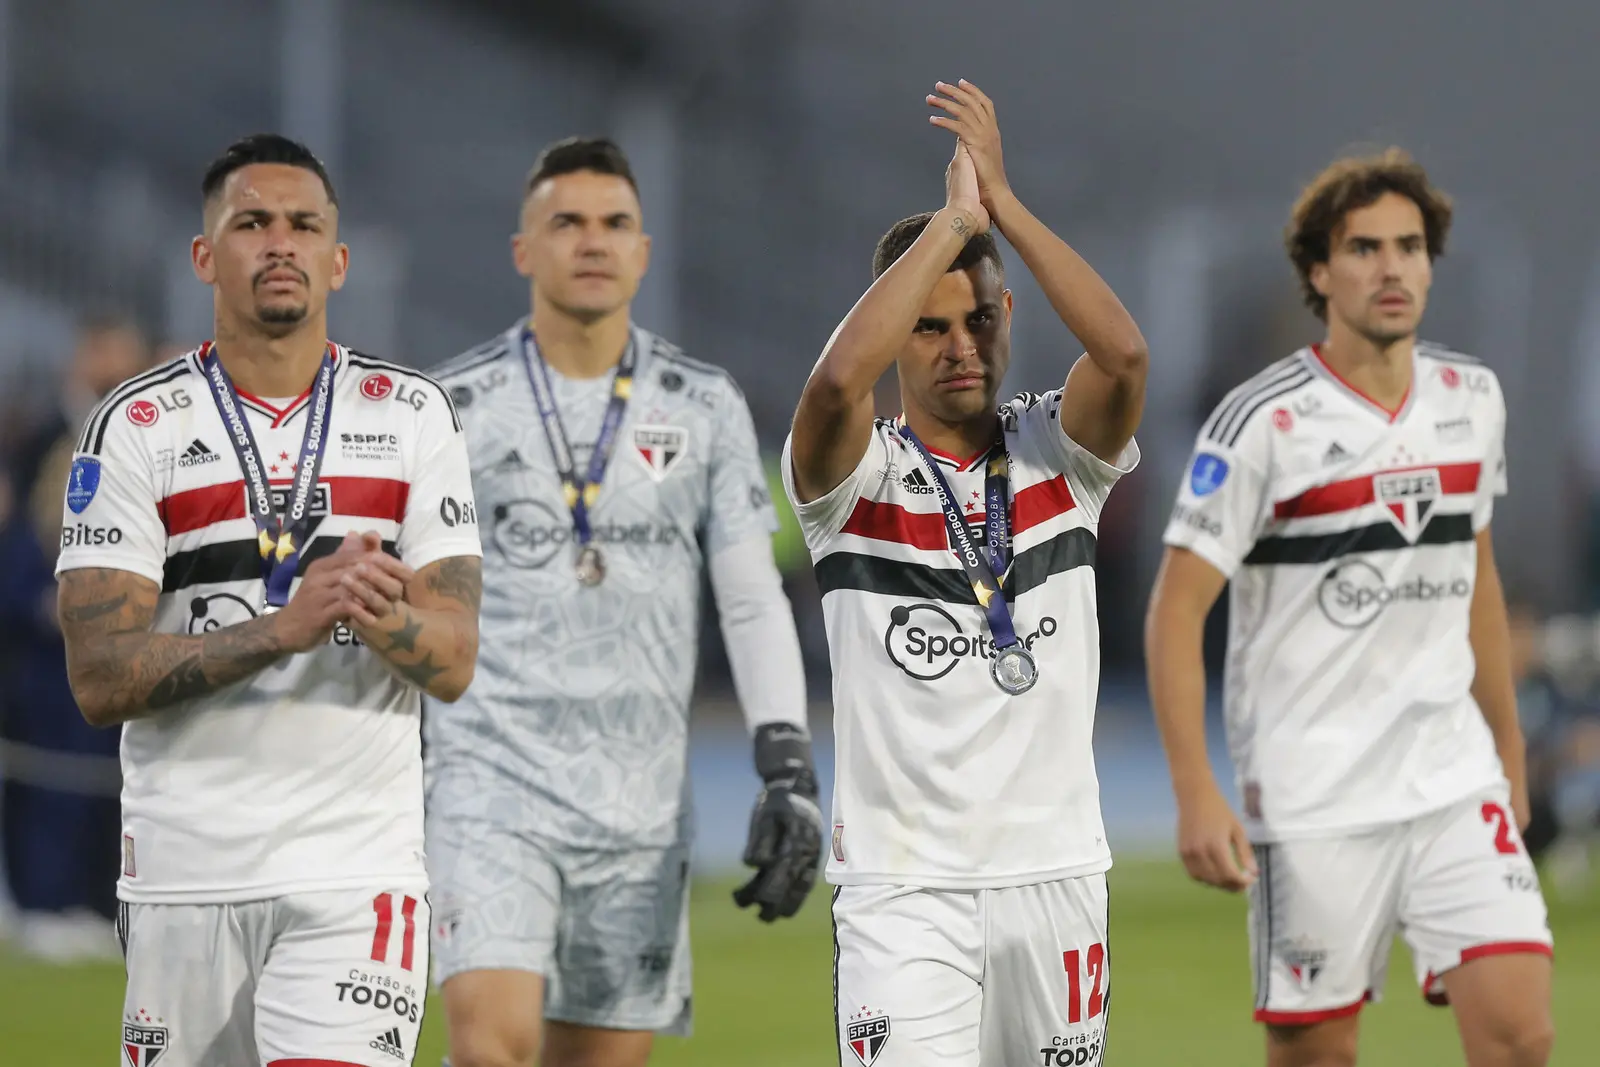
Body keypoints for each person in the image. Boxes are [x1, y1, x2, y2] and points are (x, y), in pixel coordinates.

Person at [54, 134, 483, 1067]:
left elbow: (453, 659)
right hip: (182, 875)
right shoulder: (135, 427)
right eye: (252, 222)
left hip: (355, 872)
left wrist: (389, 617)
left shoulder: (410, 415)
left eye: (304, 224)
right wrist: (282, 629)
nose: (279, 242)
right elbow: (97, 675)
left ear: (338, 259)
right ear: (206, 255)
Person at [1145, 149, 1554, 1067]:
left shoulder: (1470, 399)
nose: (1392, 267)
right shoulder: (1260, 423)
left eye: (1410, 246)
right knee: (1319, 1055)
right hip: (1313, 791)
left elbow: (1474, 575)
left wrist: (1509, 748)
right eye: (1364, 248)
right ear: (1319, 273)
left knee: (1522, 1033)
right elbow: (1175, 610)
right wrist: (1194, 790)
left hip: (1451, 777)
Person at [425, 137, 819, 1067]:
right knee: (492, 1050)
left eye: (615, 224)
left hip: (640, 807)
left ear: (644, 250)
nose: (592, 241)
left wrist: (787, 761)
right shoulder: (450, 406)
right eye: (566, 222)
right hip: (489, 784)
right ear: (523, 248)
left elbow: (752, 595)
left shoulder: (704, 404)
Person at [785, 80, 1147, 1066]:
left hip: (1056, 877)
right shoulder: (850, 480)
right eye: (932, 324)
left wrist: (1002, 206)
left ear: (1009, 313)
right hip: (904, 894)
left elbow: (1120, 353)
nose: (961, 346)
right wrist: (949, 223)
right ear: (896, 330)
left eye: (979, 319)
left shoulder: (1056, 456)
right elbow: (829, 385)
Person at [0, 315, 151, 960]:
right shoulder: (40, 436)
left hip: (118, 637)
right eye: (111, 351)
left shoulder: (138, 434)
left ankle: (94, 901)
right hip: (45, 644)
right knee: (51, 782)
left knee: (109, 781)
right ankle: (45, 904)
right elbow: (20, 539)